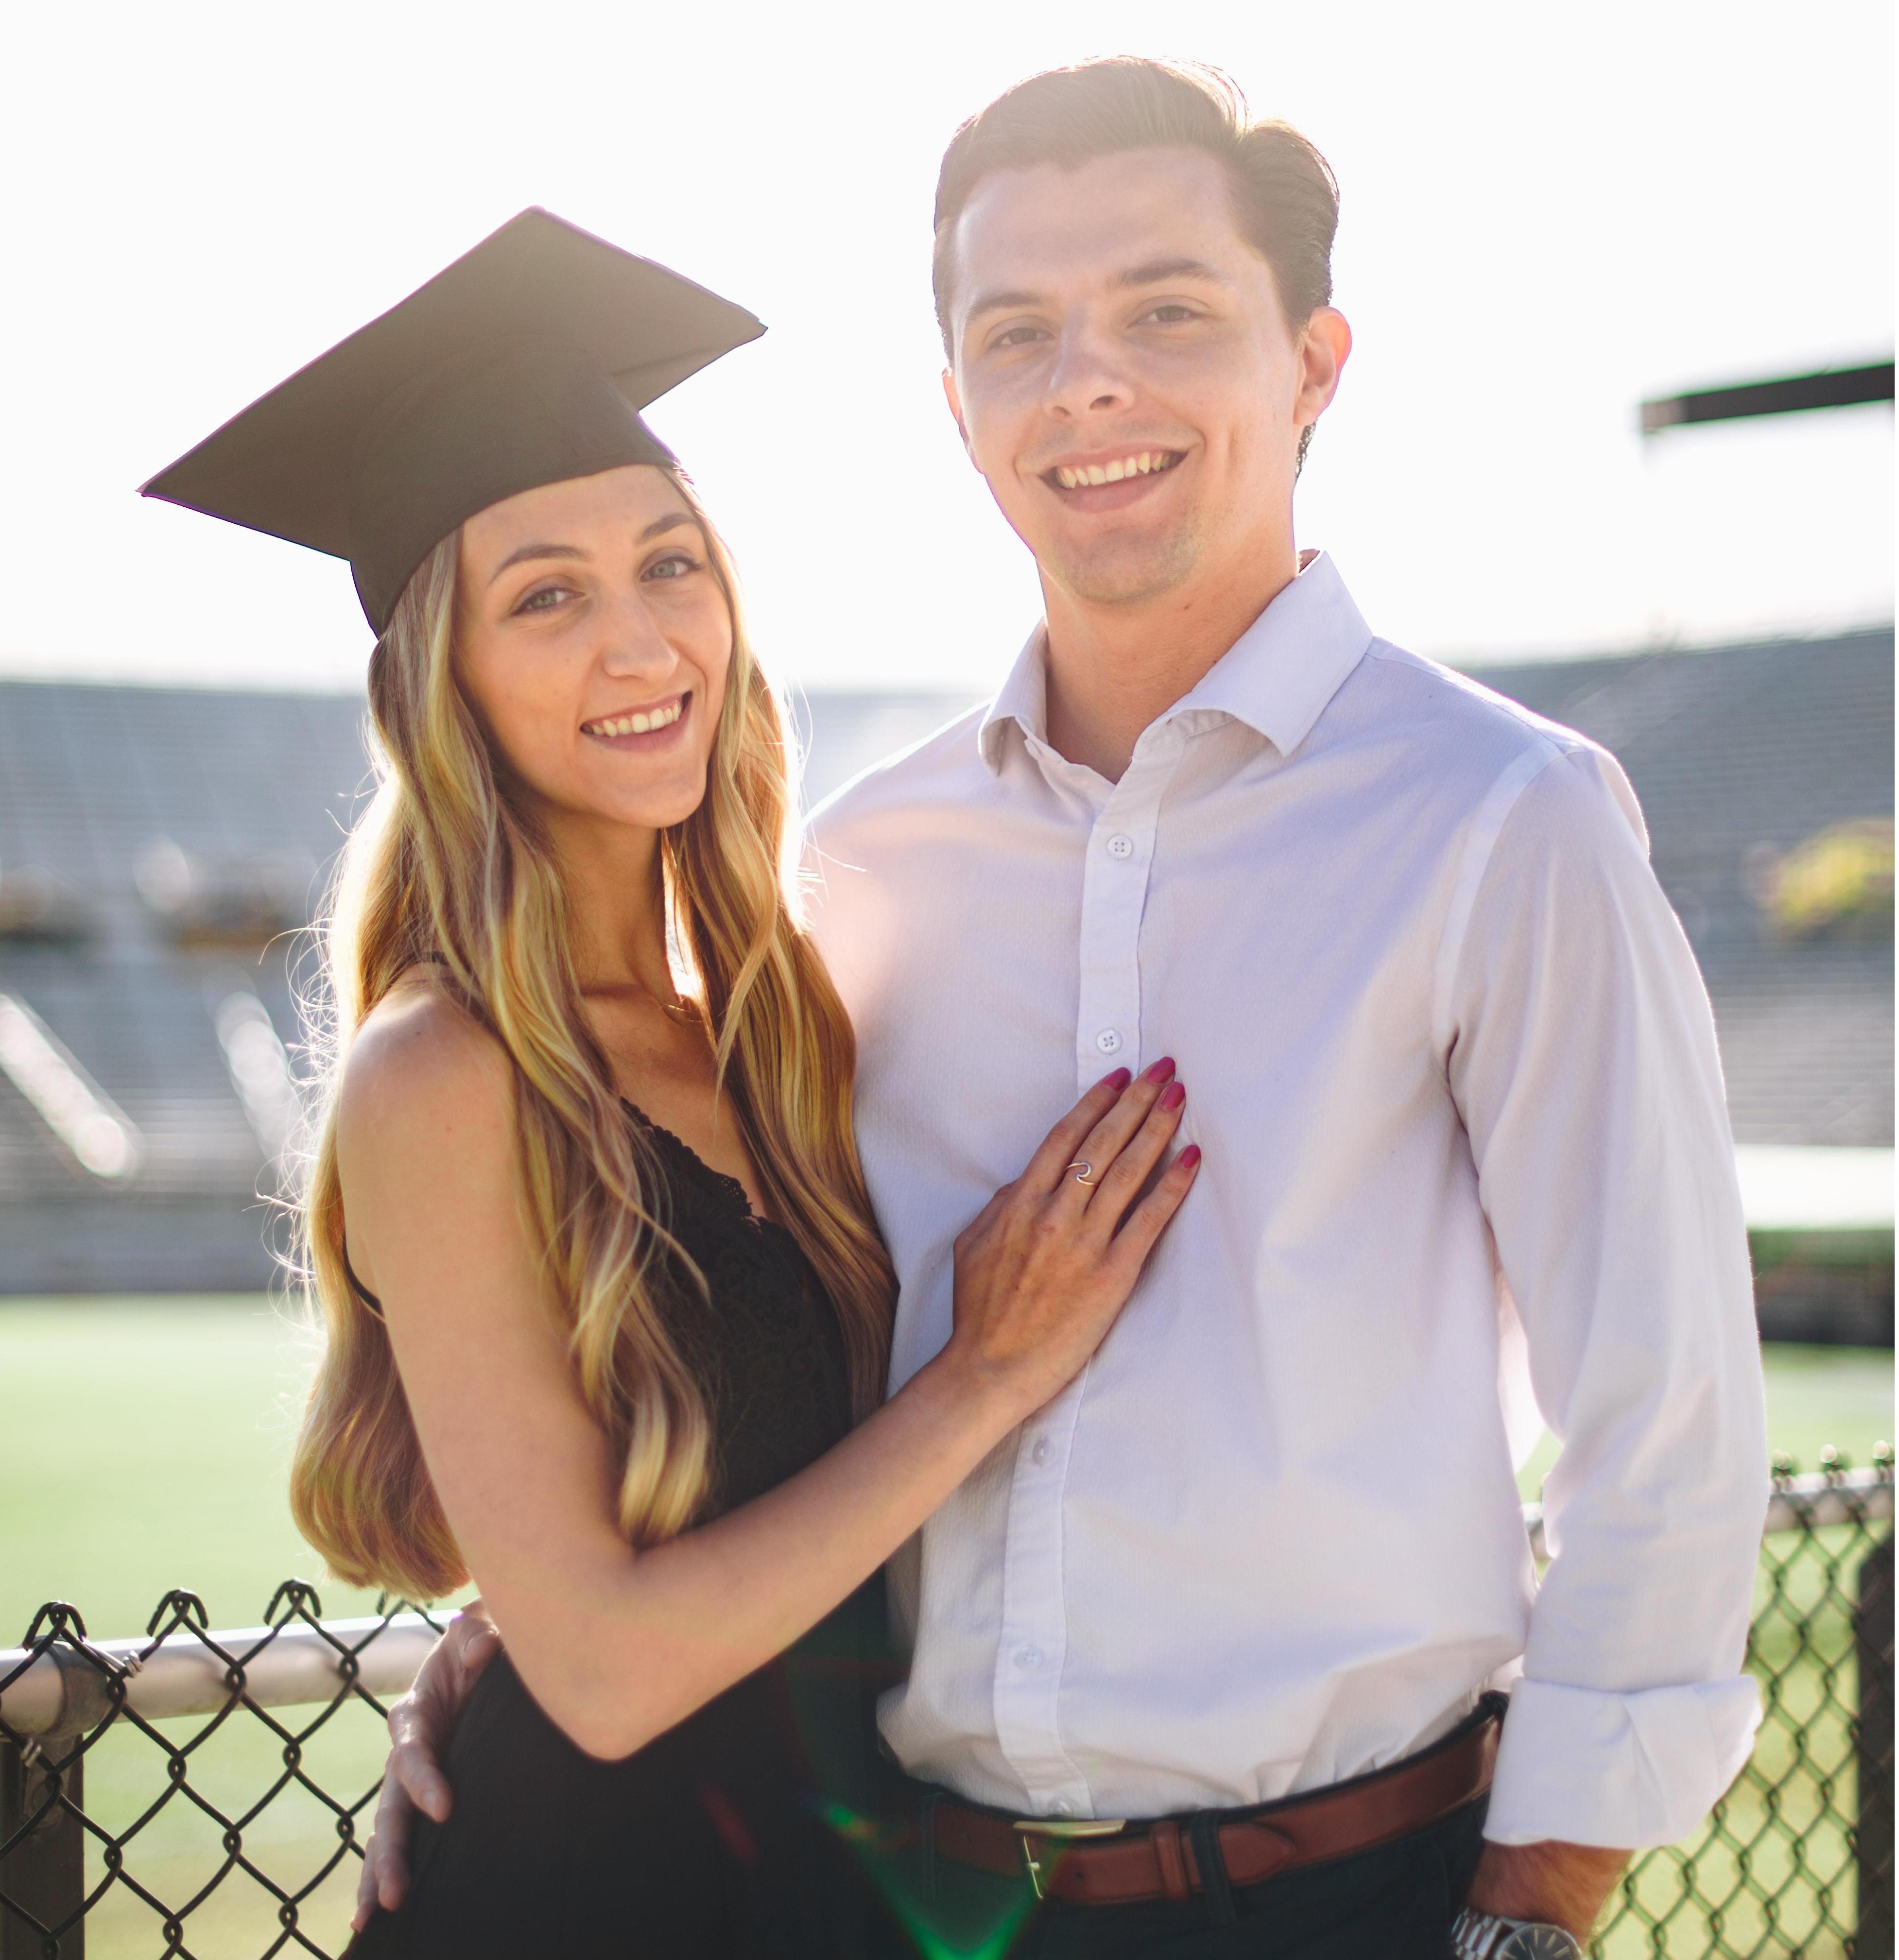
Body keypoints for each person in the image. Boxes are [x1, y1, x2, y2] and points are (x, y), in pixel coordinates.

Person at [364, 60, 1771, 1960]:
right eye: (1018, 333)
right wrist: (551, 1620)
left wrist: (1535, 1913)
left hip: (1340, 1895)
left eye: (1168, 313)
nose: (1087, 381)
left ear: (1315, 362)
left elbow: (1665, 1422)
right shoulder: (862, 877)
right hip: (908, 1900)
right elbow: (777, 1351)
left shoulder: (1503, 824)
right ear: (959, 412)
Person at [144, 206, 1201, 1959]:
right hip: (588, 1895)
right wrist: (986, 1372)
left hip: (831, 1872)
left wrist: (540, 1593)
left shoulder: (784, 1020)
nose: (643, 645)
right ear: (445, 681)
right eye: (545, 596)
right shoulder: (442, 1072)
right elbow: (614, 1675)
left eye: (670, 563)